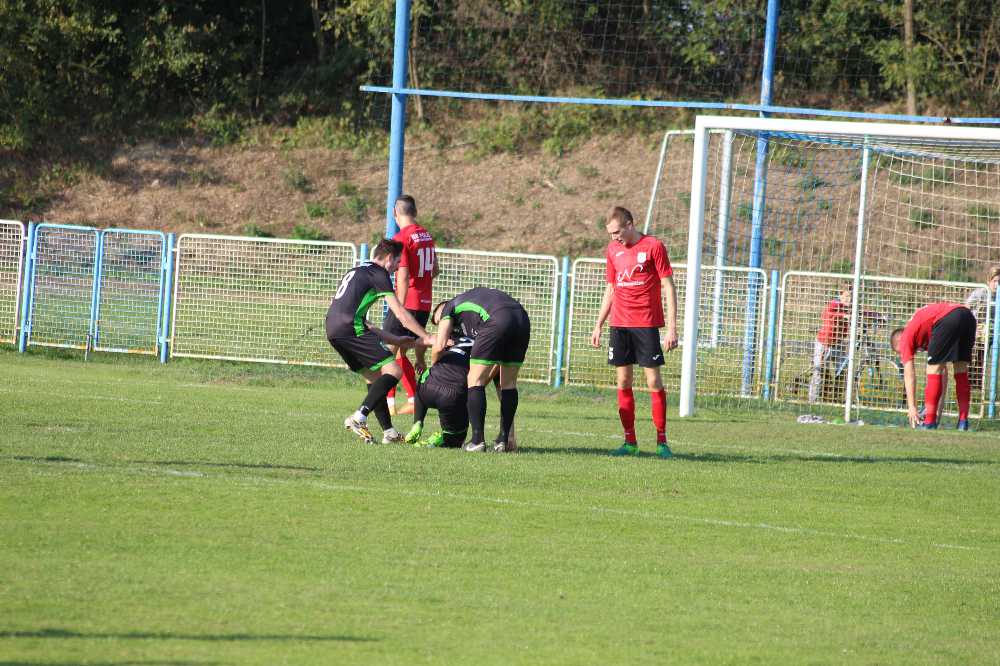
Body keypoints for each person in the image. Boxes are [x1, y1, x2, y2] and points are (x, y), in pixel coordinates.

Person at [326, 239, 435, 444]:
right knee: (394, 371)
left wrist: (395, 339)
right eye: (398, 262)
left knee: (375, 378)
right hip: (351, 329)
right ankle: (359, 417)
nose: (397, 267)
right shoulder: (379, 274)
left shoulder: (357, 270)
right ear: (388, 258)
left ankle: (389, 433)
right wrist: (427, 336)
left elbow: (365, 321)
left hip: (333, 329)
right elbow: (400, 313)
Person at [590, 206, 678, 458]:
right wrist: (598, 324)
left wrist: (672, 328)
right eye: (610, 233)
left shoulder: (653, 246)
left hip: (646, 324)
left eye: (617, 232)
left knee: (653, 382)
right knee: (623, 381)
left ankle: (662, 442)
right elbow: (611, 289)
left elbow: (668, 286)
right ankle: (630, 442)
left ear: (630, 224)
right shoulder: (612, 250)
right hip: (619, 324)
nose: (614, 237)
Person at [431, 287, 531, 453]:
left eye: (438, 322)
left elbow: (439, 346)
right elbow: (497, 377)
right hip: (521, 318)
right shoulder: (471, 311)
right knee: (508, 383)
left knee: (474, 379)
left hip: (497, 319)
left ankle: (477, 441)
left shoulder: (449, 308)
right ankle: (504, 440)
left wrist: (434, 371)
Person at [384, 195, 439, 416]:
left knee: (387, 353)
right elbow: (435, 270)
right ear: (415, 212)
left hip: (407, 303)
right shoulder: (426, 235)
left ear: (395, 214)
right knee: (399, 353)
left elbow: (403, 276)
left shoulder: (401, 237)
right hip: (424, 303)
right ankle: (409, 399)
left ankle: (387, 402)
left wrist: (399, 305)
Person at [890, 302, 977, 430]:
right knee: (960, 371)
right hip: (967, 317)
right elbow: (943, 373)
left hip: (948, 318)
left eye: (900, 352)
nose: (904, 353)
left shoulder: (906, 337)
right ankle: (963, 422)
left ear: (899, 340)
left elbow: (909, 375)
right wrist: (938, 413)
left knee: (932, 370)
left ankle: (929, 423)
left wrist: (912, 408)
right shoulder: (923, 331)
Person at [404, 335, 474, 448]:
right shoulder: (485, 344)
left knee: (424, 378)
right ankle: (436, 441)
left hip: (426, 388)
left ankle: (418, 422)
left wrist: (421, 362)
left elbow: (421, 341)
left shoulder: (454, 339)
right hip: (450, 394)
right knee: (456, 439)